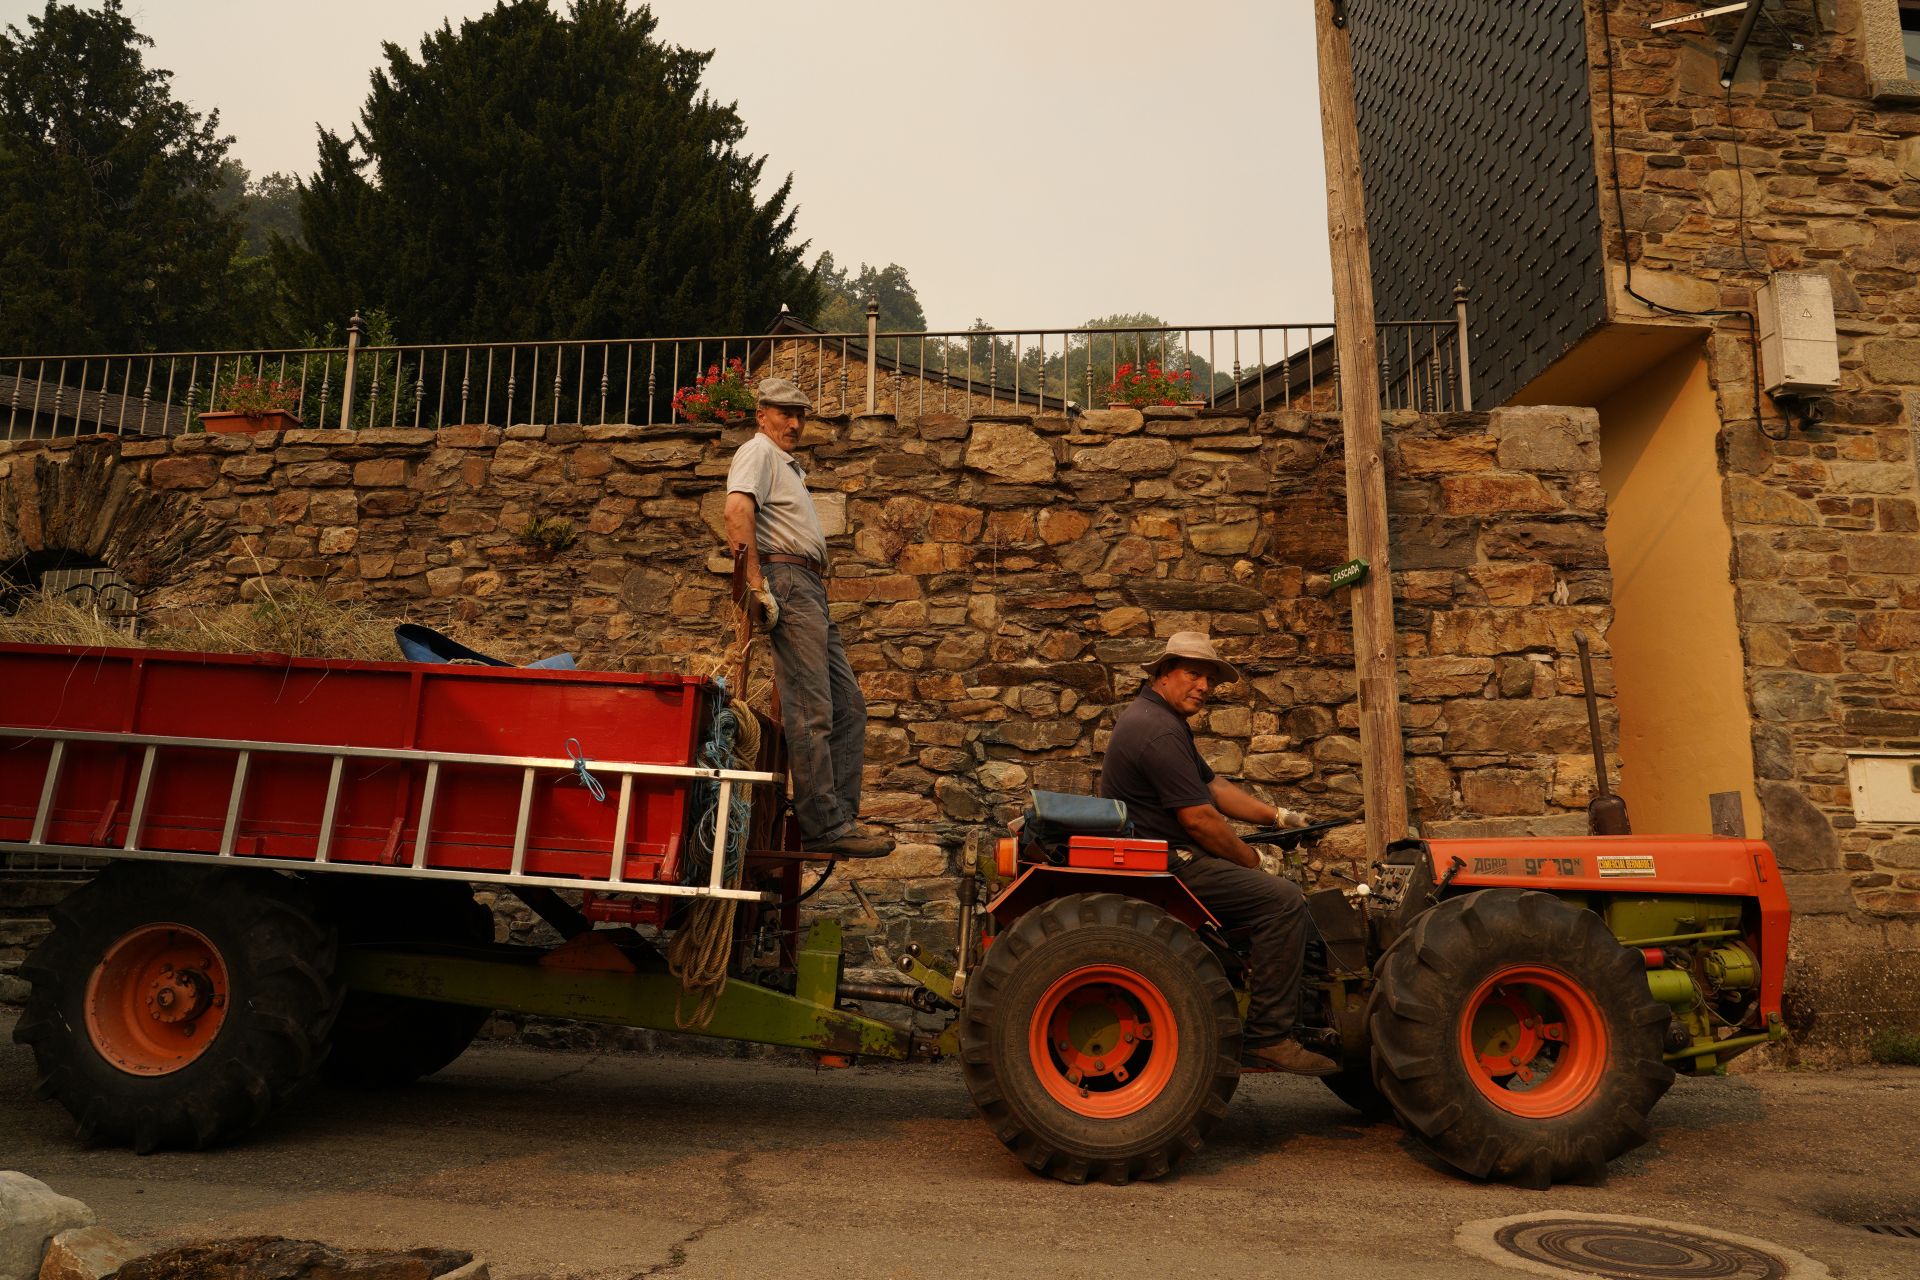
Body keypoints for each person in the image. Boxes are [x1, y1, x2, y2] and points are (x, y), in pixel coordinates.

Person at [1097, 631, 1338, 1075]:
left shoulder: (1160, 719)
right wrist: (1254, 861)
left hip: (1169, 853)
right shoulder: (1158, 730)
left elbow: (1212, 787)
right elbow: (1199, 820)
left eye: (1209, 679)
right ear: (1163, 673)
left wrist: (1279, 816)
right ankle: (1269, 1037)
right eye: (1194, 674)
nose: (1204, 687)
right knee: (1283, 900)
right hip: (1168, 861)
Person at [723, 377, 891, 858]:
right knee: (811, 707)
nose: (795, 423)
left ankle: (840, 818)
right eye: (785, 414)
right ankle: (823, 824)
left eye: (800, 415)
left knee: (849, 706)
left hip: (808, 585)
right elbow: (736, 511)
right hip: (788, 580)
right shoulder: (758, 451)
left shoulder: (784, 464)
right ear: (762, 416)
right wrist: (756, 583)